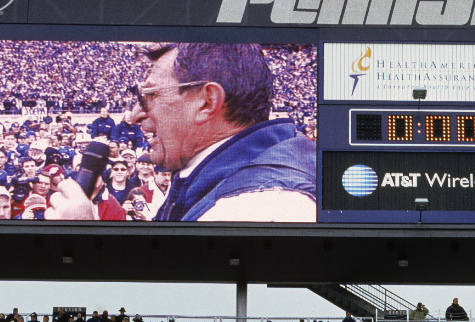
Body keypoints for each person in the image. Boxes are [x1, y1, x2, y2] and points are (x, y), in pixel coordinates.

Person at [47, 43, 315, 223]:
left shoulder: (264, 204)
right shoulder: (235, 176)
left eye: (148, 96)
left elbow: (186, 303)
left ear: (207, 102)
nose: (137, 114)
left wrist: (82, 246)